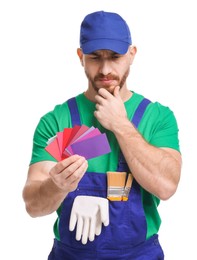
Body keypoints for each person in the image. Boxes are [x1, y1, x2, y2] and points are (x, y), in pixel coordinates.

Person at [22, 10, 182, 260]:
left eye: (115, 57)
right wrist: (57, 186)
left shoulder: (157, 117)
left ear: (132, 55)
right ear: (80, 57)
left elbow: (167, 187)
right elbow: (33, 205)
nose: (105, 68)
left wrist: (120, 124)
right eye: (95, 57)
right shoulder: (56, 121)